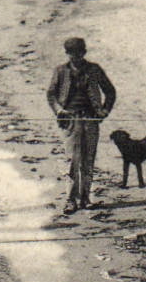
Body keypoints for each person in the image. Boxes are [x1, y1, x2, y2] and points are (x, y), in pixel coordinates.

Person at [46, 36, 117, 214]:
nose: (76, 57)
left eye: (79, 53)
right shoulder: (60, 70)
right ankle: (71, 199)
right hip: (70, 121)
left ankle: (85, 198)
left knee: (88, 159)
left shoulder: (94, 69)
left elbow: (110, 91)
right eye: (72, 54)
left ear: (84, 53)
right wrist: (59, 110)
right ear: (67, 54)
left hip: (91, 119)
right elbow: (51, 94)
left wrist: (104, 111)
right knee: (72, 160)